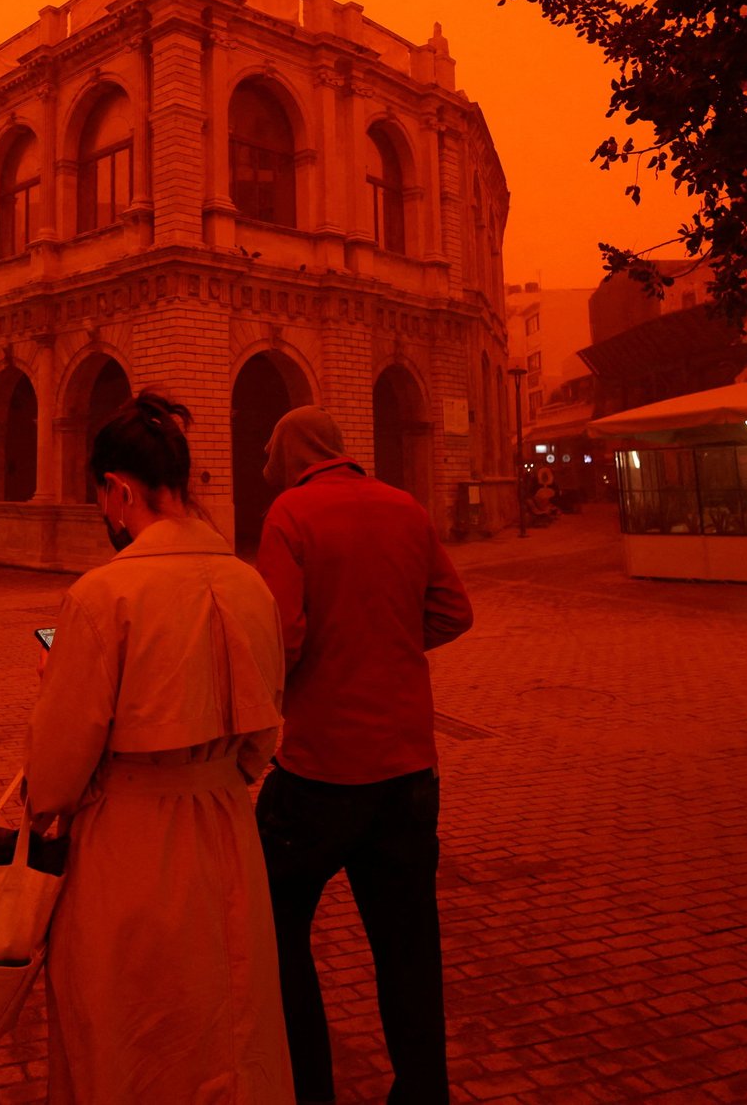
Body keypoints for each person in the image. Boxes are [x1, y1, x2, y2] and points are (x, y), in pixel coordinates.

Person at [26, 390, 294, 1103]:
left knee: (132, 1034)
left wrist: (55, 682)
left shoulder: (103, 594)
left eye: (102, 500)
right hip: (226, 829)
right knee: (229, 1021)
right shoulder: (248, 584)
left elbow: (53, 774)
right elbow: (263, 735)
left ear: (119, 491)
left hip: (131, 842)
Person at [253, 407, 474, 1105]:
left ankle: (308, 1087)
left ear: (291, 456)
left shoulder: (290, 515)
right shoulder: (405, 508)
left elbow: (281, 639)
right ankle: (421, 1091)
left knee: (274, 927)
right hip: (409, 769)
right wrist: (386, 644)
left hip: (320, 771)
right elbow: (453, 611)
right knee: (409, 947)